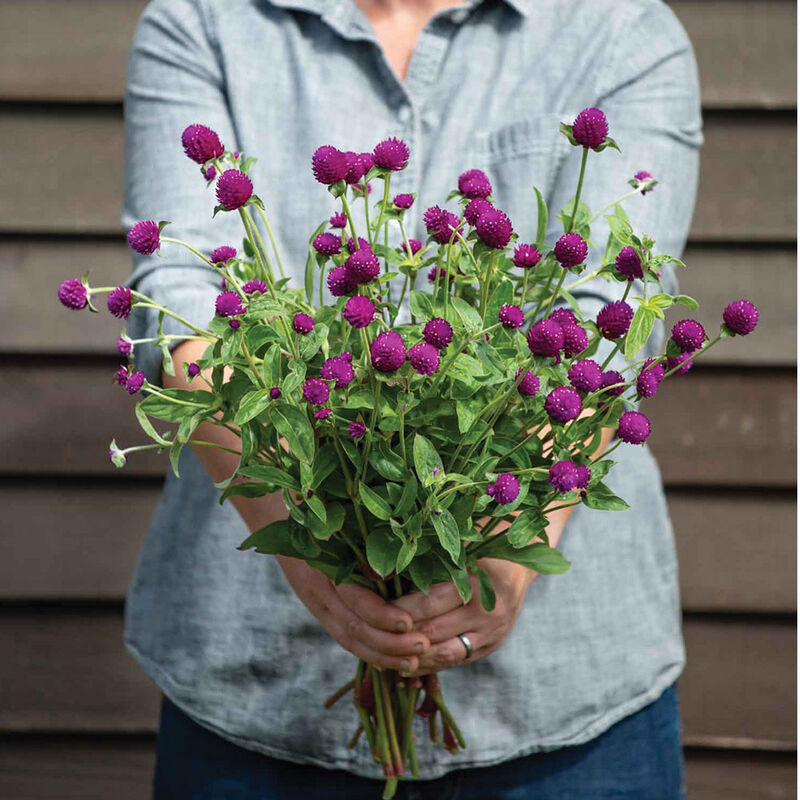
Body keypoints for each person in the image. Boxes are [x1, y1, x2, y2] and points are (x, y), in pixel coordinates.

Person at [122, 0, 702, 796]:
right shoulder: (203, 20)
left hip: (567, 711)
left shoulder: (622, 26)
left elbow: (614, 312)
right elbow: (180, 304)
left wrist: (506, 537)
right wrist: (299, 529)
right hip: (258, 692)